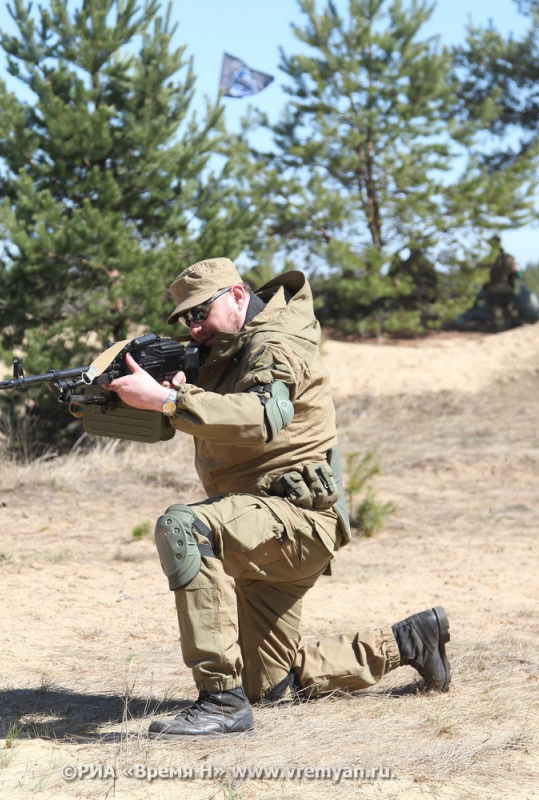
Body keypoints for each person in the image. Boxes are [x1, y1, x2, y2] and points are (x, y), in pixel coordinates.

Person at [104, 257, 450, 738]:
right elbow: (174, 421)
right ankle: (408, 642)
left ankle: (220, 702)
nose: (195, 327)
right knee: (269, 685)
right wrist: (105, 398)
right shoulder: (224, 351)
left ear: (239, 295)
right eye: (186, 319)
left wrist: (168, 400)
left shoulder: (273, 346)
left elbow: (263, 414)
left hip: (294, 520)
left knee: (183, 525)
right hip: (261, 525)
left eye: (201, 313)